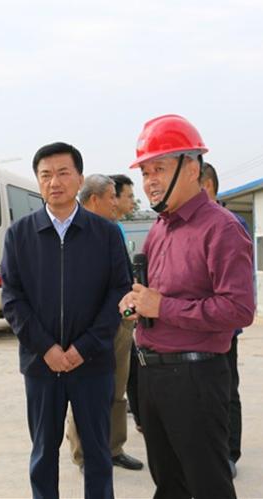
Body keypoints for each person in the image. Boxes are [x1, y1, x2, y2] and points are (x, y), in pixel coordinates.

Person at [119, 115, 255, 499]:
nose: (150, 181)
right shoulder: (160, 227)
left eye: (159, 168)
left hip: (195, 378)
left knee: (208, 485)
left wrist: (163, 307)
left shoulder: (222, 228)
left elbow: (238, 309)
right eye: (145, 172)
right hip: (152, 375)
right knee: (168, 485)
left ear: (192, 168)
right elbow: (154, 294)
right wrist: (135, 302)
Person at [1, 143, 130, 499]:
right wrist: (46, 348)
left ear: (80, 179)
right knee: (44, 452)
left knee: (98, 452)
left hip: (93, 364)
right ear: (38, 181)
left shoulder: (105, 233)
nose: (54, 182)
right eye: (45, 175)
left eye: (62, 173)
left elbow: (118, 293)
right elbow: (12, 299)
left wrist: (83, 347)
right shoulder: (19, 234)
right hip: (42, 366)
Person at [65, 174, 144, 472]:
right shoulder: (72, 231)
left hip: (118, 323)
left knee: (116, 388)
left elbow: (122, 278)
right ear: (94, 199)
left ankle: (113, 448)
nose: (115, 202)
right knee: (84, 392)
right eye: (111, 196)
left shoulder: (113, 230)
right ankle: (83, 455)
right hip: (87, 328)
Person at [200, 161, 252, 479]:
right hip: (198, 328)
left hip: (224, 327)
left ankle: (230, 453)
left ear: (206, 185)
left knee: (228, 390)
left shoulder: (230, 223)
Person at [109, 174, 142, 433]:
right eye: (128, 196)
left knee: (126, 376)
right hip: (111, 318)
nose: (132, 201)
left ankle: (116, 445)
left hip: (124, 315)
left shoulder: (117, 227)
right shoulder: (104, 229)